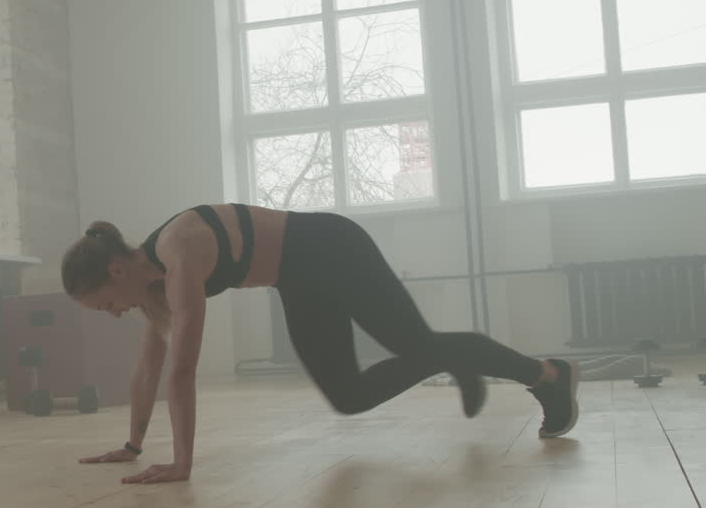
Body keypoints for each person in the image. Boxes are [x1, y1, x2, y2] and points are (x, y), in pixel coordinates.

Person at [60, 204, 580, 484]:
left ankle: (549, 376)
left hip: (332, 247)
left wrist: (182, 464)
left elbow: (180, 372)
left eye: (104, 302)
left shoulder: (179, 250)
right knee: (348, 396)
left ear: (116, 269)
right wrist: (131, 448)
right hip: (297, 278)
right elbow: (148, 369)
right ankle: (452, 359)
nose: (113, 313)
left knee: (417, 343)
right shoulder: (153, 283)